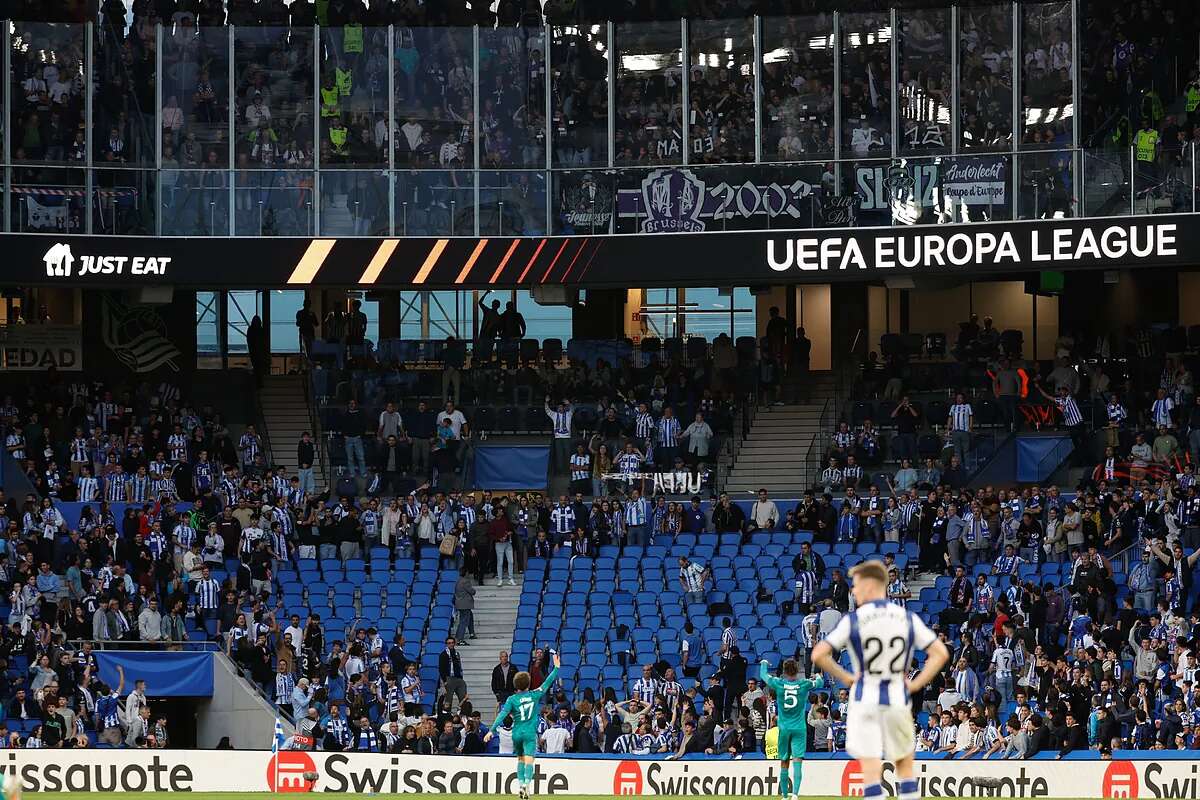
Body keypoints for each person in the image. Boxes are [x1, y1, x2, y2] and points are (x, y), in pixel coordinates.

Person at [812, 561, 950, 800]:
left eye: (857, 586)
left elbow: (818, 654)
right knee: (904, 764)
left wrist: (848, 678)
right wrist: (915, 684)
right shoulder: (904, 618)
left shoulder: (854, 621)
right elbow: (940, 653)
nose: (853, 592)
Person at [485, 651, 561, 800]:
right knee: (529, 760)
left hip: (517, 733)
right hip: (530, 733)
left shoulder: (511, 699)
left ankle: (520, 785)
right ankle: (526, 784)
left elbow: (502, 714)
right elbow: (547, 683)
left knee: (520, 759)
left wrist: (491, 730)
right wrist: (556, 668)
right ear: (528, 683)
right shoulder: (534, 694)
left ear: (515, 685)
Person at [759, 658, 824, 800]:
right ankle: (795, 794)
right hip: (799, 728)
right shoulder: (804, 684)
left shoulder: (778, 683)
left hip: (784, 728)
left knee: (784, 761)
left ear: (784, 671)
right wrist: (818, 675)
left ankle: (784, 796)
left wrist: (764, 662)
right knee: (797, 760)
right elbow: (820, 683)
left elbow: (763, 675)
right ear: (796, 670)